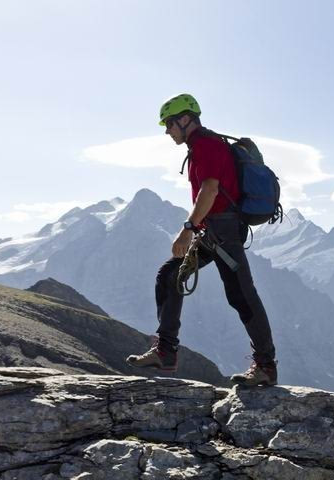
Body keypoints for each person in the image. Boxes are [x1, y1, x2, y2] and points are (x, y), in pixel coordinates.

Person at [126, 93, 278, 386]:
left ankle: (266, 367)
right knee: (170, 275)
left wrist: (187, 229)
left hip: (223, 232)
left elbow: (210, 190)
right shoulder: (200, 147)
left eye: (169, 124)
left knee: (242, 296)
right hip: (213, 232)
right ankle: (166, 352)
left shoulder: (207, 146)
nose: (167, 131)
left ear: (185, 120)